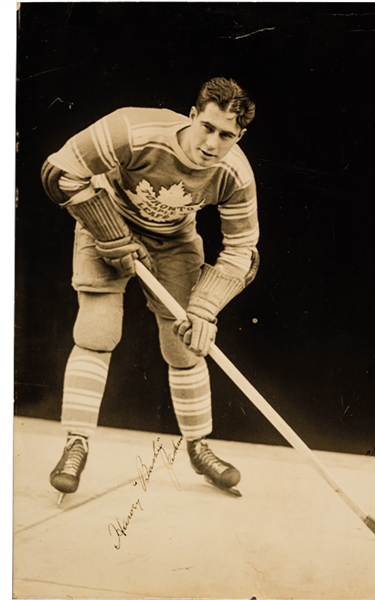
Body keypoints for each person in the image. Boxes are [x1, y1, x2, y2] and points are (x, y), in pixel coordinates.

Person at [41, 77, 259, 498]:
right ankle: (76, 444)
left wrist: (205, 308)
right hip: (105, 220)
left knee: (185, 343)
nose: (212, 143)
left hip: (175, 241)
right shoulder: (133, 130)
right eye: (208, 127)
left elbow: (242, 250)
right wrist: (110, 232)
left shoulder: (235, 173)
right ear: (193, 115)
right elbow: (60, 171)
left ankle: (198, 447)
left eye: (227, 135)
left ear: (240, 135)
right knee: (98, 330)